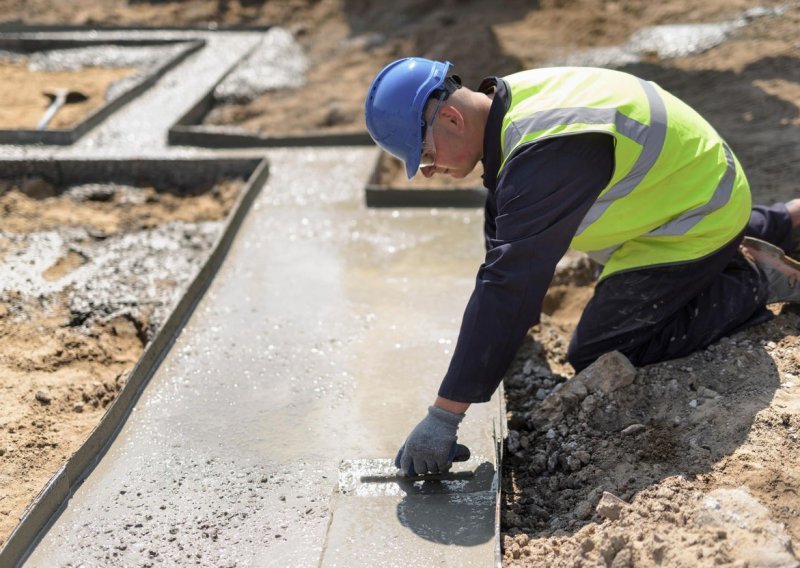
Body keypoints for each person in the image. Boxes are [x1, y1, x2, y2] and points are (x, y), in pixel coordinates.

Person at [364, 57, 800, 477]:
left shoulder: (547, 152)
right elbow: (503, 236)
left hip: (691, 219)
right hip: (685, 182)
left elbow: (510, 281)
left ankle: (752, 278)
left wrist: (445, 414)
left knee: (598, 351)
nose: (426, 172)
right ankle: (779, 222)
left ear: (452, 120)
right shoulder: (514, 106)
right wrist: (497, 337)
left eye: (423, 156)